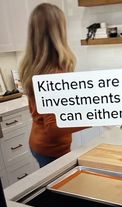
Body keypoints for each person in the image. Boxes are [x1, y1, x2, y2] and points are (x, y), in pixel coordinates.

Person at [19, 3, 89, 168]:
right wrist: (95, 116)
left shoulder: (35, 67)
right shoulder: (53, 74)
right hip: (51, 148)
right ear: (58, 32)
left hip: (40, 143)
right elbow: (54, 128)